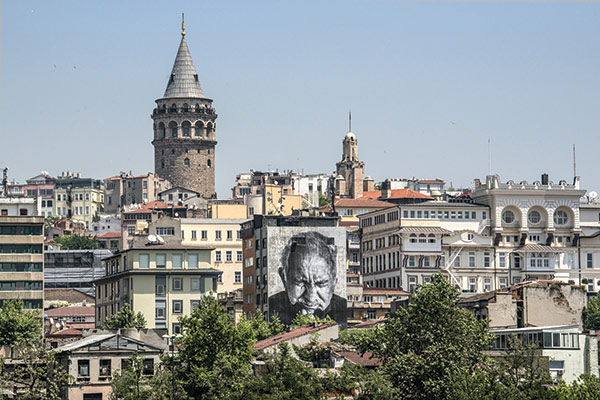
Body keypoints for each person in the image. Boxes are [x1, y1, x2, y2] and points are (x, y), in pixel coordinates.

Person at [269, 231, 346, 326]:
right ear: (284, 278)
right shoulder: (269, 309)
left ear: (334, 283)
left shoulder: (343, 312)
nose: (311, 297)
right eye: (300, 282)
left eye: (321, 283)